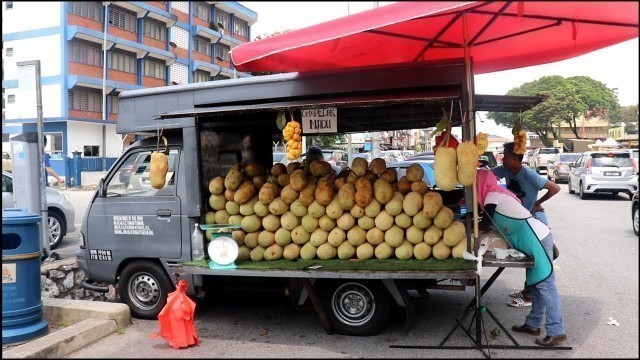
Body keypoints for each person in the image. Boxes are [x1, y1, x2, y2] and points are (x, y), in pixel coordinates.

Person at [477, 169, 567, 347]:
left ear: (480, 183)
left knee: (545, 284)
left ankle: (557, 331)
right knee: (536, 283)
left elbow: (484, 224)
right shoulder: (496, 195)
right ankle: (533, 324)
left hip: (537, 239)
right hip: (534, 239)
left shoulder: (493, 194)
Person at [492, 142, 560, 307]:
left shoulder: (528, 173)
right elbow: (486, 176)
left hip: (534, 219)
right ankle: (528, 290)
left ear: (515, 158)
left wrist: (537, 203)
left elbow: (555, 188)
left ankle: (529, 296)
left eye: (506, 156)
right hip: (521, 221)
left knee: (534, 258)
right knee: (529, 256)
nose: (503, 159)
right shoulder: (505, 170)